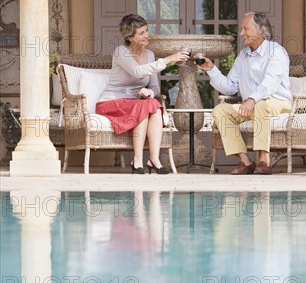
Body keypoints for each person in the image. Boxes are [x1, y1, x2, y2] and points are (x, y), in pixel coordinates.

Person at [197, 12, 292, 175]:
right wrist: (211, 69)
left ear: (261, 30)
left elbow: (269, 84)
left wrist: (251, 99)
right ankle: (245, 160)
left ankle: (264, 159)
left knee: (261, 103)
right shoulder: (243, 55)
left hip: (278, 104)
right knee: (220, 110)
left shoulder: (277, 52)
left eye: (245, 29)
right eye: (241, 29)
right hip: (252, 106)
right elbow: (230, 87)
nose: (241, 33)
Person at [96, 14, 189, 174]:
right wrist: (169, 59)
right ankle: (137, 159)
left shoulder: (150, 55)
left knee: (152, 104)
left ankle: (154, 158)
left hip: (136, 104)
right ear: (130, 37)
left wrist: (150, 92)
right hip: (111, 103)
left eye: (146, 31)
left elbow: (155, 87)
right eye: (141, 33)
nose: (147, 35)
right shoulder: (120, 52)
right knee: (145, 107)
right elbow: (137, 71)